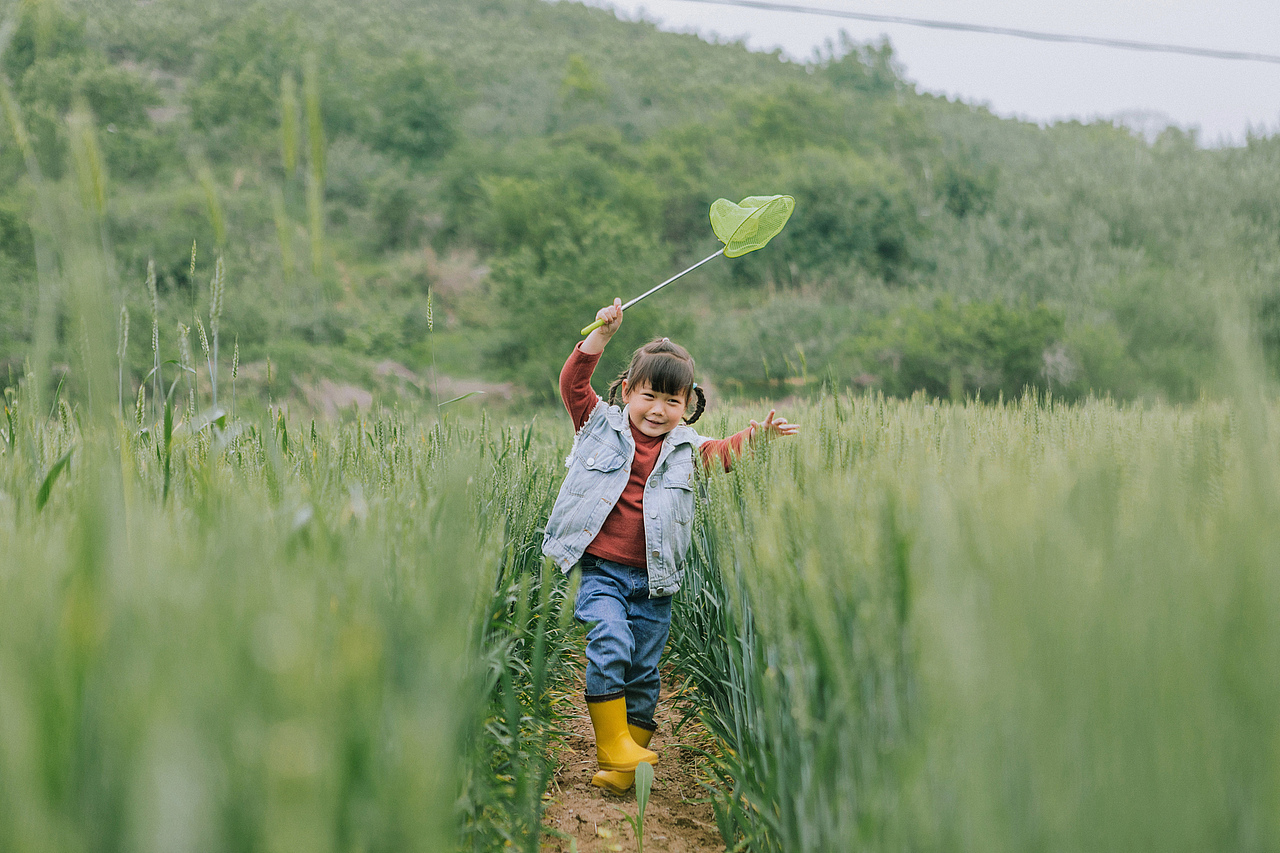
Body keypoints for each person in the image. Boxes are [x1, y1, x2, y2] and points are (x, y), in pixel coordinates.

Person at [542, 298, 799, 795]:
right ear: (627, 392)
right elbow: (573, 384)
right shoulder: (599, 424)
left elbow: (721, 455)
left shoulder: (688, 447)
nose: (658, 410)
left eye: (673, 402)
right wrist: (603, 335)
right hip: (598, 571)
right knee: (610, 643)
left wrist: (757, 436)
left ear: (688, 405)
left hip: (656, 582)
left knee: (643, 671)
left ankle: (622, 767)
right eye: (649, 396)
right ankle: (614, 744)